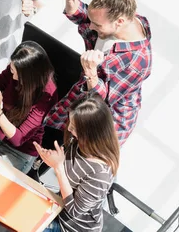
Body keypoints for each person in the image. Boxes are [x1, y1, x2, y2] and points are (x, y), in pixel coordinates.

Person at [44, 0, 152, 146]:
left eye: (97, 24)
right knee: (49, 136)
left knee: (70, 161)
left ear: (120, 22)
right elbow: (86, 18)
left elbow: (103, 101)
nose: (91, 27)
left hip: (102, 125)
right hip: (84, 95)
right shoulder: (124, 18)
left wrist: (91, 73)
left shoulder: (138, 61)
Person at [35, 94, 120, 232]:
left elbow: (74, 211)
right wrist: (54, 160)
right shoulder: (78, 143)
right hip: (58, 210)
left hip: (72, 228)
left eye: (74, 127)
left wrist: (58, 168)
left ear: (90, 132)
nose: (69, 129)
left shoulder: (100, 174)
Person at [0, 41, 57, 173]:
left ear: (30, 76)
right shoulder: (14, 69)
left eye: (17, 73)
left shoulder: (47, 93)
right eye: (11, 70)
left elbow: (18, 139)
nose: (13, 76)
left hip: (20, 151)